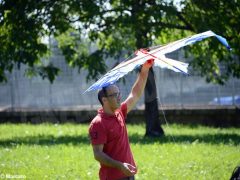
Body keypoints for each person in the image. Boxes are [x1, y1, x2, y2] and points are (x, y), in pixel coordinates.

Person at [89, 59, 154, 180]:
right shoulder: (98, 123)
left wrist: (145, 69)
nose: (119, 97)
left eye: (119, 93)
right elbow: (98, 154)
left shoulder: (120, 113)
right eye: (115, 95)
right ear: (104, 100)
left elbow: (135, 94)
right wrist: (120, 166)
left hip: (129, 174)